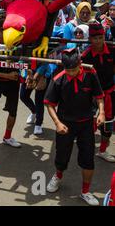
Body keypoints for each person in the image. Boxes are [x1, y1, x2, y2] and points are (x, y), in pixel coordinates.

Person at [44, 48, 105, 206]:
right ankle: (57, 176)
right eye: (67, 70)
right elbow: (49, 104)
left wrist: (102, 113)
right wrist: (57, 123)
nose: (70, 73)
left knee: (88, 159)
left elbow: (99, 97)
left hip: (86, 123)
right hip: (66, 123)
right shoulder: (58, 79)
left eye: (74, 69)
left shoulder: (90, 74)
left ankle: (85, 191)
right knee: (61, 156)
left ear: (80, 65)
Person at [81, 23, 115, 163]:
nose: (98, 41)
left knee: (108, 123)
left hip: (110, 92)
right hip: (92, 94)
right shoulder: (86, 56)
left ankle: (102, 150)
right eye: (95, 38)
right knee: (86, 120)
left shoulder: (113, 50)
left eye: (100, 37)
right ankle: (84, 145)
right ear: (90, 39)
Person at [21, 63, 56, 135]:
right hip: (28, 71)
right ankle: (34, 112)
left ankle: (38, 124)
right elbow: (20, 62)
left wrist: (35, 76)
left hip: (43, 73)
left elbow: (45, 63)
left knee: (39, 100)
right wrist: (26, 75)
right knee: (23, 96)